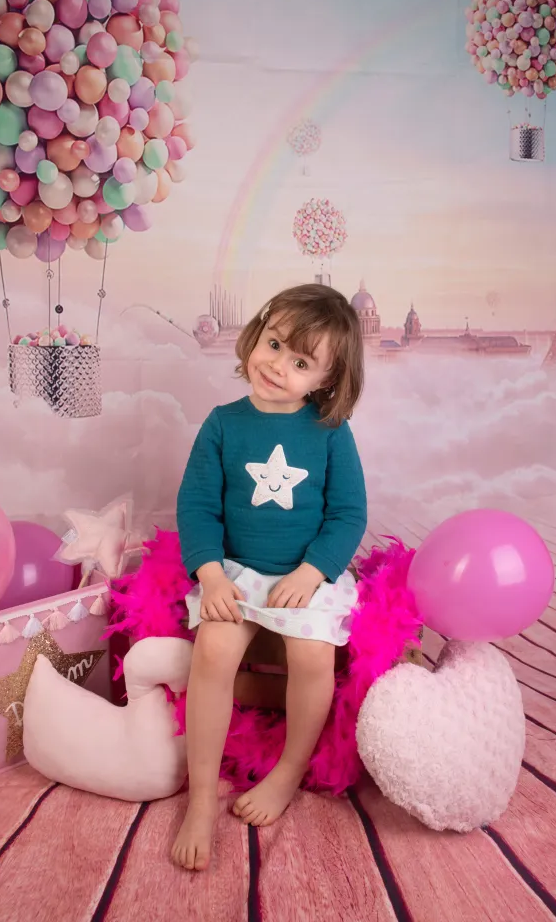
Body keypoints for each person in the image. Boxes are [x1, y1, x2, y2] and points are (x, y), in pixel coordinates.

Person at [172, 283, 367, 871]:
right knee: (213, 651)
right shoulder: (223, 424)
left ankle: (287, 771)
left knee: (312, 656)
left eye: (302, 362)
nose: (279, 366)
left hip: (305, 575)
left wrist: (312, 572)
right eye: (275, 344)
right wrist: (211, 576)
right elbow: (196, 506)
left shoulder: (330, 431)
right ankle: (200, 797)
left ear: (327, 380)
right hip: (236, 572)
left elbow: (347, 514)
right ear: (256, 334)